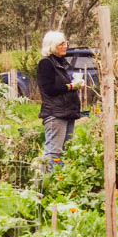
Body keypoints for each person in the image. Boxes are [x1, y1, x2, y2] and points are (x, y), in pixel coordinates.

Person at [37, 31, 83, 170]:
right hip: (55, 113)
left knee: (64, 152)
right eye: (61, 44)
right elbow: (49, 89)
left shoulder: (60, 63)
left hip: (67, 113)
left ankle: (59, 183)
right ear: (52, 46)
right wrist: (71, 86)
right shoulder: (46, 63)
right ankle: (46, 185)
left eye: (65, 43)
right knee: (53, 151)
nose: (65, 46)